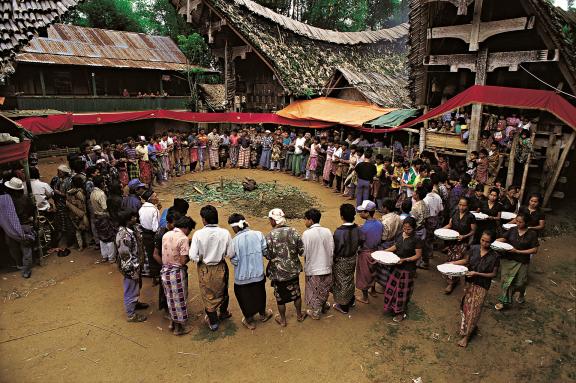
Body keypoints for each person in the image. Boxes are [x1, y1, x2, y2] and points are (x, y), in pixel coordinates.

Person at [451, 230, 499, 347]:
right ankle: (469, 327)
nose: (484, 244)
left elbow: (493, 274)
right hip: (468, 282)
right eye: (482, 240)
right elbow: (466, 261)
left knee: (474, 310)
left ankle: (466, 337)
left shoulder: (495, 256)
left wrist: (477, 274)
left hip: (481, 285)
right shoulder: (474, 248)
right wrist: (454, 263)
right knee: (465, 306)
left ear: (491, 242)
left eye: (487, 242)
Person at [189, 205, 233, 331]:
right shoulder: (225, 233)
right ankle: (223, 312)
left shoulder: (198, 234)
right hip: (220, 266)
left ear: (204, 220)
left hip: (205, 268)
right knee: (223, 290)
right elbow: (230, 254)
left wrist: (201, 260)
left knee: (208, 295)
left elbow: (192, 255)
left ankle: (213, 323)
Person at [228, 213, 273, 330]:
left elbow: (235, 261)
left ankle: (249, 320)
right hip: (258, 275)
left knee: (244, 298)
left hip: (242, 278)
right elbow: (265, 251)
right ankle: (263, 314)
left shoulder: (234, 241)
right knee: (260, 293)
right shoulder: (258, 234)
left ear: (234, 227)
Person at [265, 208, 307, 326]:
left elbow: (268, 255)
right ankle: (299, 315)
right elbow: (301, 251)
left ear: (274, 220)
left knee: (280, 297)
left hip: (278, 273)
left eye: (270, 220)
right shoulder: (294, 231)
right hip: (293, 271)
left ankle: (283, 320)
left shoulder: (270, 236)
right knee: (296, 293)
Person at [381, 217, 422, 322]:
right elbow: (396, 246)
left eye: (409, 229)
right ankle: (392, 307)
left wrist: (405, 260)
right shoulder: (400, 234)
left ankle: (401, 312)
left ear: (414, 229)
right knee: (392, 288)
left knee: (402, 292)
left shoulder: (416, 239)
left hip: (407, 269)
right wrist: (385, 251)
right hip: (396, 267)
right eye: (404, 228)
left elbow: (418, 255)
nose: (406, 231)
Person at [494, 213, 539, 310]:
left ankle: (521, 293)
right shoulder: (512, 230)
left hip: (522, 261)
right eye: (516, 221)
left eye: (520, 222)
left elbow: (535, 250)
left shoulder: (532, 234)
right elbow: (504, 238)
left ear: (526, 223)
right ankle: (503, 301)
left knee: (520, 283)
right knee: (506, 282)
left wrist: (518, 251)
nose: (517, 223)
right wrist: (496, 241)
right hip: (508, 259)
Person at [161, 216, 196, 335]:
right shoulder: (183, 238)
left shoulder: (166, 234)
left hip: (165, 270)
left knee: (170, 298)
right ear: (186, 228)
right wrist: (191, 256)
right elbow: (182, 261)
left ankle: (172, 322)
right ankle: (179, 328)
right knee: (180, 299)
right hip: (176, 272)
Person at [116, 210, 148, 323]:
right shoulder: (123, 236)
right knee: (130, 289)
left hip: (136, 266)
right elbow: (125, 257)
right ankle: (131, 315)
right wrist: (132, 270)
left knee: (136, 287)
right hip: (130, 268)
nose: (136, 218)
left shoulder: (132, 229)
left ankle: (135, 304)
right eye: (133, 217)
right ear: (127, 220)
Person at [301, 208, 334, 319]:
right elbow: (332, 249)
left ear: (310, 220)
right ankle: (323, 305)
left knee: (314, 291)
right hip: (327, 266)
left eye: (305, 219)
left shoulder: (307, 234)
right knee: (324, 289)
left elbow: (304, 252)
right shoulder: (327, 231)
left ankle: (316, 312)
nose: (305, 222)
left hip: (314, 268)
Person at [332, 204, 363, 314]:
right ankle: (351, 300)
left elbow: (336, 248)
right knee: (349, 279)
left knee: (342, 282)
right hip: (353, 258)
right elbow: (361, 241)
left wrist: (334, 258)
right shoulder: (357, 228)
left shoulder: (339, 232)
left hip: (342, 260)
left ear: (342, 216)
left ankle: (344, 305)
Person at [441, 197, 477, 294]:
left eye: (464, 205)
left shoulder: (470, 217)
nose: (461, 207)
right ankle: (451, 280)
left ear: (467, 206)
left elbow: (473, 231)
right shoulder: (454, 213)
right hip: (452, 241)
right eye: (460, 204)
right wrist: (440, 231)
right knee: (450, 259)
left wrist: (464, 236)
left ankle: (452, 283)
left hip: (463, 243)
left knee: (456, 261)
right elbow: (449, 225)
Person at [3, 178, 35, 278]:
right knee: (26, 248)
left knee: (13, 247)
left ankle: (19, 264)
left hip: (10, 227)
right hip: (25, 225)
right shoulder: (26, 198)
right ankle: (26, 271)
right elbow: (32, 210)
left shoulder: (6, 200)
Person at [153, 209, 181, 317]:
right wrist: (165, 266)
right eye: (174, 224)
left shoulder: (173, 232)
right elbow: (155, 254)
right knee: (166, 290)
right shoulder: (161, 234)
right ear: (168, 222)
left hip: (172, 266)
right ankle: (167, 310)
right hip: (166, 267)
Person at [355, 200, 383, 303]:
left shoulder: (363, 229)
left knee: (363, 275)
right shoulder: (379, 224)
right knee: (373, 272)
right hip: (376, 252)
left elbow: (360, 241)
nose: (360, 213)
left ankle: (365, 297)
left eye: (362, 211)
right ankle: (373, 290)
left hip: (365, 253)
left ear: (367, 213)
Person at [90, 175, 117, 263]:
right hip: (103, 217)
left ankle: (104, 256)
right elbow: (105, 207)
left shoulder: (92, 192)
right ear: (101, 183)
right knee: (109, 237)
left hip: (96, 216)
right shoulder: (101, 194)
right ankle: (111, 257)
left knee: (102, 238)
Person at [139, 190, 161, 278]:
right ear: (150, 199)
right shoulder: (154, 210)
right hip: (152, 235)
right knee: (156, 254)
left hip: (145, 234)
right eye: (155, 197)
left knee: (149, 254)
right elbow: (155, 227)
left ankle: (152, 274)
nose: (157, 198)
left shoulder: (141, 208)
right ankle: (157, 274)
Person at [66, 175, 89, 250]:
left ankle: (80, 246)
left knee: (78, 231)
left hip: (74, 213)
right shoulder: (81, 192)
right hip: (82, 212)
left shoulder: (70, 192)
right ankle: (85, 244)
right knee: (83, 229)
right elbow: (83, 203)